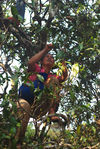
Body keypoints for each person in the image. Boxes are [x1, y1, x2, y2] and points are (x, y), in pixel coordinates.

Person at [15, 44, 68, 148]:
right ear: (42, 61)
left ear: (53, 64)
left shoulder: (52, 76)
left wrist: (63, 62)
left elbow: (64, 77)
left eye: (52, 57)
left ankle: (52, 111)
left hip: (40, 106)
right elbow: (30, 62)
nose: (50, 58)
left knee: (53, 80)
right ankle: (17, 143)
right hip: (25, 102)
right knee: (23, 107)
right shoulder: (36, 69)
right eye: (47, 56)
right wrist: (45, 49)